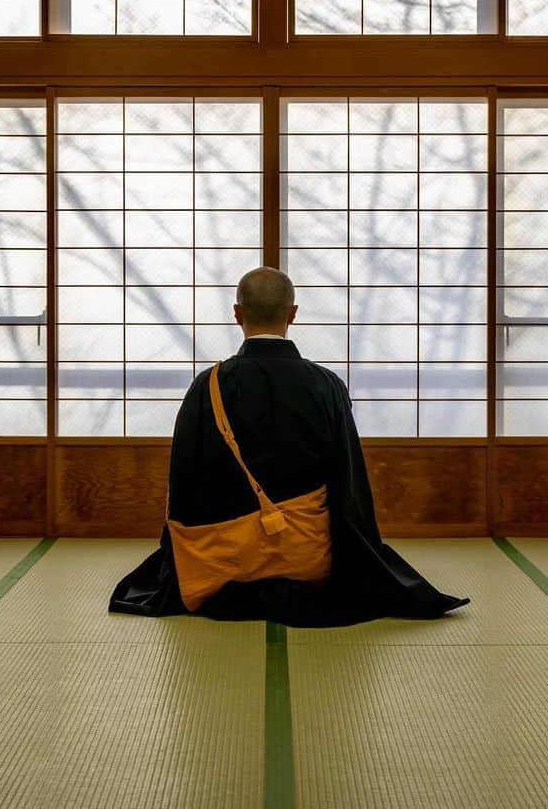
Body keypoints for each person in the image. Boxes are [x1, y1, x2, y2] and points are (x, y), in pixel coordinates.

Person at [108, 267, 471, 627]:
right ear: (292, 314)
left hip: (221, 562)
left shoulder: (207, 386)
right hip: (308, 558)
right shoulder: (325, 385)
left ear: (237, 313)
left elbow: (183, 484)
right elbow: (349, 485)